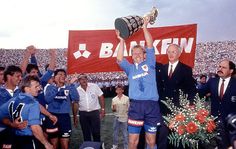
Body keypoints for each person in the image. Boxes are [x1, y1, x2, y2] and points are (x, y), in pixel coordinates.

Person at [116, 16, 161, 149]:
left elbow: (149, 44)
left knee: (151, 142)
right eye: (134, 53)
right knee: (132, 142)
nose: (136, 55)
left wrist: (145, 28)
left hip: (151, 106)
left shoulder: (150, 63)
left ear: (145, 54)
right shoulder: (129, 68)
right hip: (136, 107)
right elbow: (119, 58)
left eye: (139, 53)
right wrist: (121, 41)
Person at [157, 43, 197, 149]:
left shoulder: (186, 69)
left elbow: (191, 89)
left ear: (179, 53)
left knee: (179, 139)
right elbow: (159, 89)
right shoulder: (162, 69)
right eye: (169, 51)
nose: (170, 54)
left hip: (179, 110)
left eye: (173, 52)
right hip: (164, 110)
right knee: (163, 139)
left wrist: (191, 104)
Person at [0, 75, 53, 149]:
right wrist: (46, 143)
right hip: (29, 139)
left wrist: (12, 124)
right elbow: (35, 128)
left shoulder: (13, 100)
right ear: (27, 89)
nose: (39, 89)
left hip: (16, 139)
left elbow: (1, 115)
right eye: (36, 87)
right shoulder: (33, 103)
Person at [199, 60, 236, 149]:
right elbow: (200, 93)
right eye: (219, 67)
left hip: (232, 125)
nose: (220, 69)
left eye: (223, 67)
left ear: (231, 71)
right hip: (214, 122)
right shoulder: (212, 81)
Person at [44, 69, 79, 149]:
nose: (62, 76)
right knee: (54, 143)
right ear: (54, 77)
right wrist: (57, 87)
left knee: (65, 144)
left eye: (64, 75)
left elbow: (76, 98)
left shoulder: (69, 87)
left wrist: (71, 84)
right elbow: (47, 100)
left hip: (64, 118)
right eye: (60, 74)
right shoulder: (50, 87)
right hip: (52, 117)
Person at [77, 73, 105, 142]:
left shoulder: (94, 86)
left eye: (85, 78)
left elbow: (101, 96)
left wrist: (103, 109)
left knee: (96, 133)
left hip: (94, 113)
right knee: (86, 134)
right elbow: (75, 103)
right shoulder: (77, 90)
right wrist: (75, 115)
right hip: (83, 114)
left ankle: (98, 147)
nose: (84, 80)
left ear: (87, 79)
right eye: (81, 79)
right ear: (78, 81)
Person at [111, 85, 129, 149]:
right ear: (116, 91)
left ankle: (126, 147)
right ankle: (115, 145)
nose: (119, 91)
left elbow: (129, 108)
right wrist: (114, 109)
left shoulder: (127, 98)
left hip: (124, 117)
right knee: (115, 133)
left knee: (125, 134)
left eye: (120, 89)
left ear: (123, 90)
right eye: (117, 89)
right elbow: (113, 110)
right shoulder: (114, 99)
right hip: (116, 117)